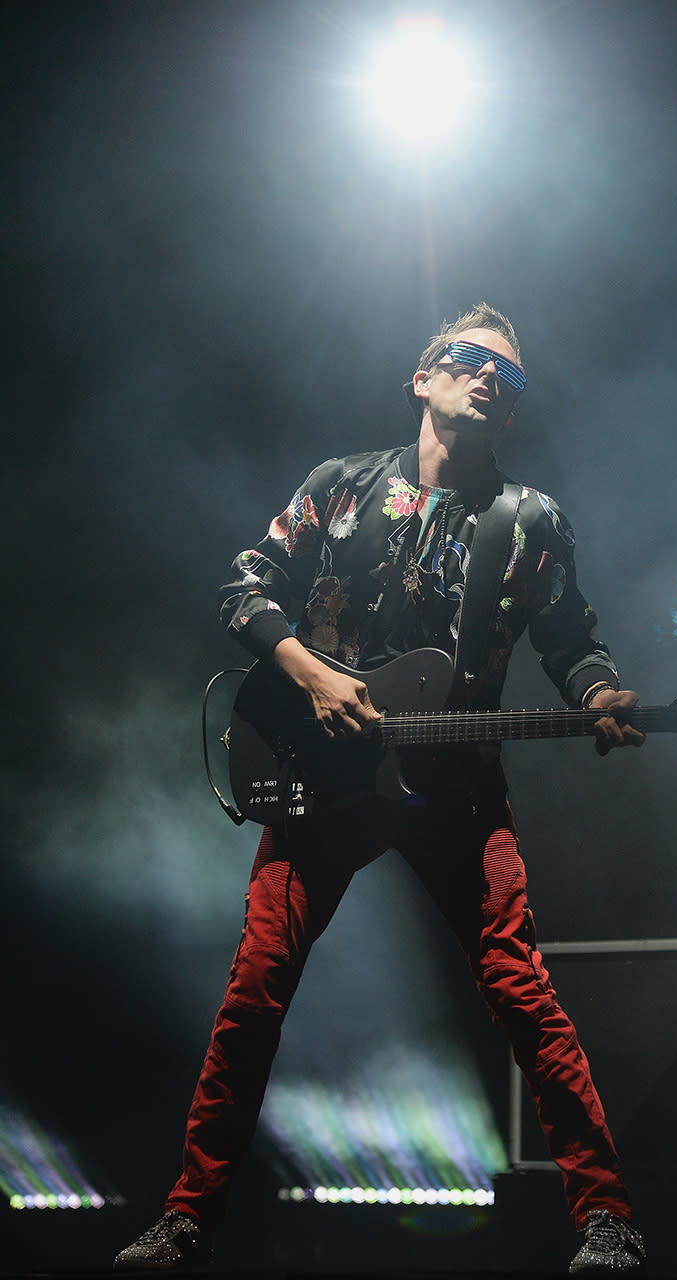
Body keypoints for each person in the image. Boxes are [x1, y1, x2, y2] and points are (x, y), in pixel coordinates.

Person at [114, 303, 647, 1274]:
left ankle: (608, 1218)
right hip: (327, 780)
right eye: (472, 361)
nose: (491, 379)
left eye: (510, 378)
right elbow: (243, 584)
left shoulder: (529, 524)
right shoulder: (341, 488)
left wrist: (603, 691)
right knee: (255, 987)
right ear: (424, 376)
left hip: (457, 789)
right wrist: (315, 677)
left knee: (522, 988)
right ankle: (186, 1217)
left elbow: (573, 640)